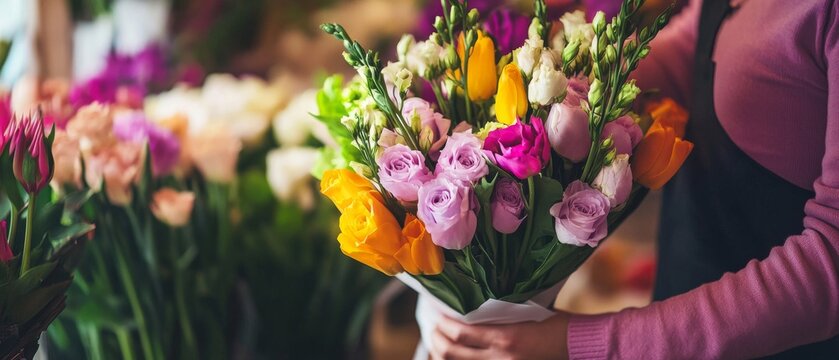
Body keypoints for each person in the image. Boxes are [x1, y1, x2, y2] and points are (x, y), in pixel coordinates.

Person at [429, 0, 839, 358]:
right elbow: (702, 42)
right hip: (682, 307)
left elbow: (829, 266)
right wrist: (564, 82)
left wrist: (580, 344)